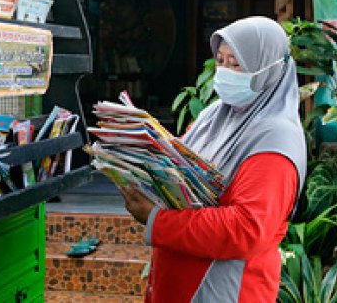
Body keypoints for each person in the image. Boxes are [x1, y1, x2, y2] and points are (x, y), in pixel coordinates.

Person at [119, 16, 307, 302]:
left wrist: (157, 221)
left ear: (268, 70)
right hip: (178, 281)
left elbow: (246, 229)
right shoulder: (214, 116)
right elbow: (178, 167)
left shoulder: (275, 139)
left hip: (224, 289)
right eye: (220, 60)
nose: (225, 72)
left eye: (237, 63)